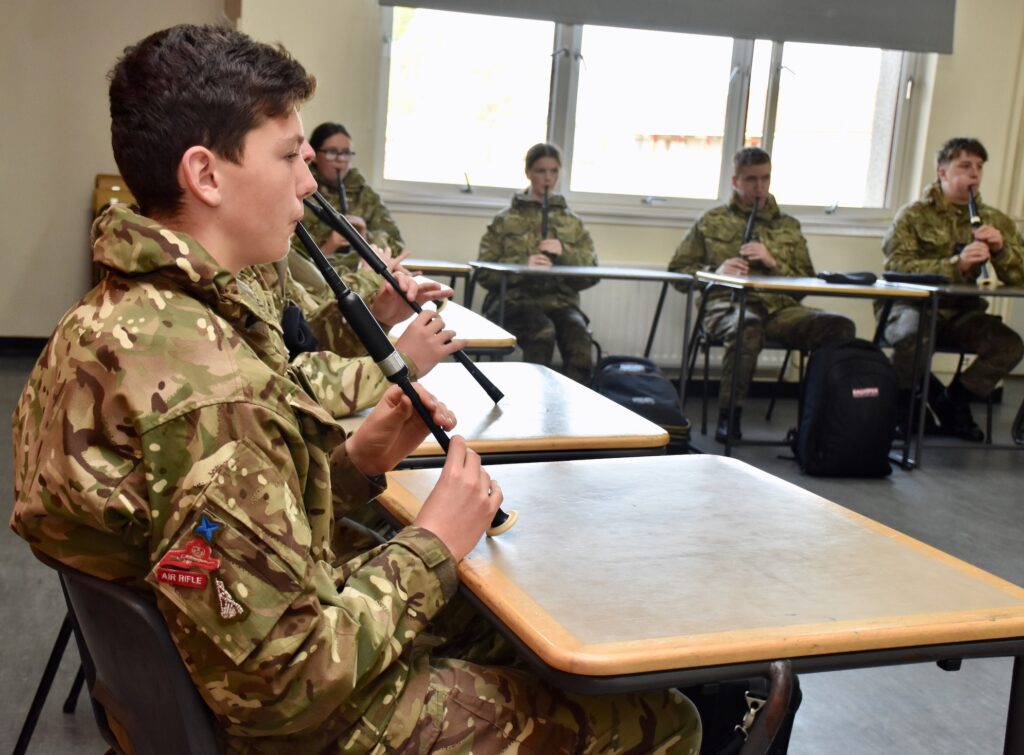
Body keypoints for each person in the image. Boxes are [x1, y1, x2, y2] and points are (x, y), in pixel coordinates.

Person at [10, 25, 700, 753]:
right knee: (664, 719)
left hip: (186, 680)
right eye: (287, 158)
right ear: (206, 175)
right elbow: (283, 687)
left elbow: (212, 538)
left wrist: (354, 463)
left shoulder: (101, 323)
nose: (309, 182)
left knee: (493, 624)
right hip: (283, 721)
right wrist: (434, 540)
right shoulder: (213, 389)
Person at [668, 147, 855, 443]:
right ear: (735, 180)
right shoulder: (711, 220)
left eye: (765, 178)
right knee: (747, 326)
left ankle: (819, 420)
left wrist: (773, 261)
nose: (759, 187)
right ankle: (730, 416)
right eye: (751, 179)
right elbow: (678, 272)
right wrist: (716, 270)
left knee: (839, 327)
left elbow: (808, 278)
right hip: (726, 306)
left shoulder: (787, 225)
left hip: (781, 310)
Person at [881, 137, 1024, 440]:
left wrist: (1001, 250)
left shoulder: (996, 220)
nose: (974, 174)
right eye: (964, 166)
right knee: (912, 336)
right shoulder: (913, 215)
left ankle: (953, 402)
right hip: (912, 307)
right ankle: (904, 407)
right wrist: (954, 266)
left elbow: (1019, 275)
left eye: (979, 167)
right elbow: (897, 268)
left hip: (962, 314)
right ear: (942, 173)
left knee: (1008, 346)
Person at [476, 143, 598, 384]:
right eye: (541, 171)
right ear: (529, 173)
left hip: (560, 303)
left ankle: (576, 406)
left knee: (578, 337)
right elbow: (483, 272)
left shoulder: (571, 222)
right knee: (542, 332)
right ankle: (533, 401)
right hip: (513, 302)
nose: (548, 178)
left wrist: (564, 252)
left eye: (554, 171)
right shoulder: (505, 219)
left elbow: (592, 272)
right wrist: (522, 265)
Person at [300, 121, 406, 274]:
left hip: (363, 277)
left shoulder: (365, 195)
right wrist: (328, 247)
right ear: (315, 155)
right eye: (331, 152)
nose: (340, 159)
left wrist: (363, 239)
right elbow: (291, 259)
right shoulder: (301, 190)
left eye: (346, 153)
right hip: (316, 281)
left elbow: (395, 245)